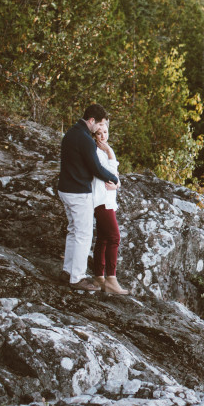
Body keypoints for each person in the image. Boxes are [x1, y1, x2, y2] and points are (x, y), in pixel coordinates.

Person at [57, 104, 120, 291]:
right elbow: (96, 168)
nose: (100, 129)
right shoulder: (84, 139)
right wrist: (114, 178)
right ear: (91, 120)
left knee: (73, 231)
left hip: (65, 189)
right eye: (99, 124)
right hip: (78, 192)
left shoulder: (71, 133)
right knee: (83, 235)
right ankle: (77, 278)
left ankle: (67, 271)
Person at [91, 120, 129, 294]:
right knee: (114, 237)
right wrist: (111, 152)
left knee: (104, 239)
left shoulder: (104, 153)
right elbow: (110, 173)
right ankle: (111, 279)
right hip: (101, 200)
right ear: (94, 135)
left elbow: (115, 178)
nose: (103, 136)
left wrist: (117, 184)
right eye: (99, 133)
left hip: (108, 200)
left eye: (105, 132)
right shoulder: (98, 152)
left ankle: (99, 277)